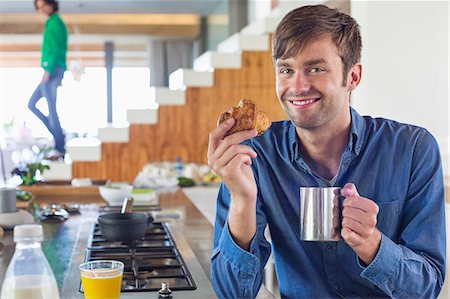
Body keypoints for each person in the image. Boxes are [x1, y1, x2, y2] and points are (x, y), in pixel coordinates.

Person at [207, 4, 445, 299]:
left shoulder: (412, 149)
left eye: (316, 69)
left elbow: (427, 287)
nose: (298, 86)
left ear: (353, 77)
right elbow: (232, 293)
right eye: (286, 70)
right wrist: (242, 199)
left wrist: (371, 244)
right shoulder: (255, 156)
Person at [28, 0, 68, 158]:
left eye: (44, 5)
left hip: (52, 70)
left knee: (52, 110)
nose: (42, 9)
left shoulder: (55, 23)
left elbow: (54, 48)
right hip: (52, 69)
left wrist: (48, 69)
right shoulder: (53, 23)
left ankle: (60, 146)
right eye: (39, 8)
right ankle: (59, 137)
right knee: (32, 104)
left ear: (52, 4)